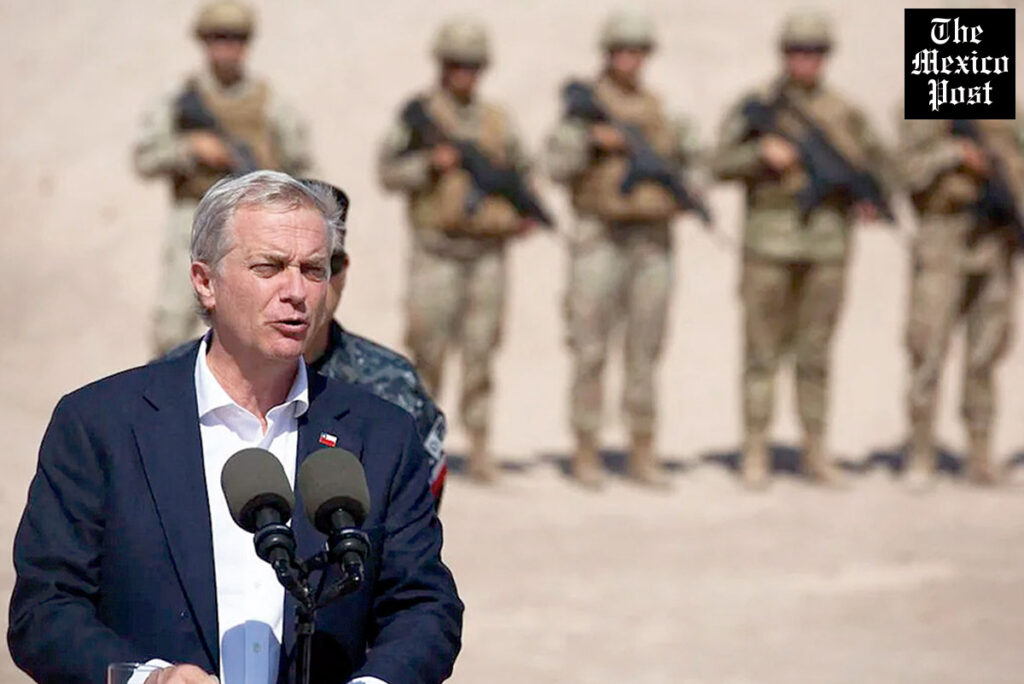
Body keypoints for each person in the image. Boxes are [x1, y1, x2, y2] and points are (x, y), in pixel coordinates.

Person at [8, 172, 462, 684]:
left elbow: (425, 607)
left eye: (314, 270)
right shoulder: (100, 425)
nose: (297, 292)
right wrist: (148, 679)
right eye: (269, 267)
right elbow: (44, 611)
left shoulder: (382, 435)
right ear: (205, 282)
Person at [710, 11, 891, 489]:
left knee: (815, 356)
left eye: (814, 52)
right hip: (768, 245)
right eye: (797, 51)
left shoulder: (846, 112)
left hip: (826, 246)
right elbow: (717, 162)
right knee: (761, 354)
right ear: (784, 54)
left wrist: (871, 198)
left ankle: (815, 451)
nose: (805, 61)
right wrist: (759, 155)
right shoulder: (758, 105)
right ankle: (755, 450)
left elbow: (879, 166)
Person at [544, 10, 704, 488]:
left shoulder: (663, 112)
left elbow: (699, 159)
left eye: (637, 51)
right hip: (599, 237)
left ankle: (642, 450)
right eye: (621, 51)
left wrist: (688, 191)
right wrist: (592, 142)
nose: (629, 60)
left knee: (645, 350)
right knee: (590, 348)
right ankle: (586, 450)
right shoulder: (584, 111)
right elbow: (555, 165)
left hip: (652, 242)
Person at [377, 17, 537, 483]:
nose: (463, 74)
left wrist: (522, 212)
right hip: (436, 252)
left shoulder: (498, 121)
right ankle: (417, 450)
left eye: (471, 66)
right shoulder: (419, 116)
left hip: (486, 254)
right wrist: (430, 164)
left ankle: (480, 447)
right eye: (455, 64)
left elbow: (524, 172)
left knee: (481, 352)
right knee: (427, 351)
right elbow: (388, 172)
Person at [134, 0, 312, 357]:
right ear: (203, 41)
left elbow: (302, 167)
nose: (227, 47)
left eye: (235, 38)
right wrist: (190, 149)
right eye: (218, 37)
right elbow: (145, 158)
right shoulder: (180, 98)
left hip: (254, 220)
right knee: (172, 324)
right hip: (194, 217)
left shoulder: (271, 102)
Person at [302, 181, 449, 503]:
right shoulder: (195, 384)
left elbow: (416, 515)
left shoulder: (392, 386)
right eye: (273, 266)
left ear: (344, 270)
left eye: (326, 266)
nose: (305, 286)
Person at [898, 115, 1023, 488]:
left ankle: (980, 456)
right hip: (942, 237)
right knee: (927, 350)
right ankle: (921, 454)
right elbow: (902, 172)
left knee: (986, 353)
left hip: (995, 241)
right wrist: (951, 154)